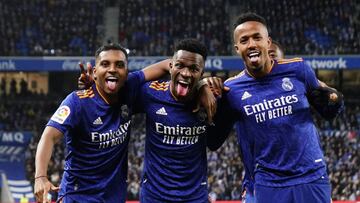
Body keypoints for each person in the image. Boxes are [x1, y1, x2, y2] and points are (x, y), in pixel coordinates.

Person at [208, 12, 343, 203]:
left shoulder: (298, 70)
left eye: (257, 37)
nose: (252, 44)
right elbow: (213, 141)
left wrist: (335, 98)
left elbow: (329, 111)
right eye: (244, 40)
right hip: (268, 183)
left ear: (268, 42)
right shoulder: (232, 89)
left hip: (311, 176)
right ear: (237, 48)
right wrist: (206, 99)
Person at [34, 43, 175, 203]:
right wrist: (40, 176)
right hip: (78, 195)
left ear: (127, 73)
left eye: (119, 65)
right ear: (94, 72)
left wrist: (201, 84)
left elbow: (169, 64)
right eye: (105, 64)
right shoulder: (77, 102)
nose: (113, 69)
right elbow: (49, 136)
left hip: (114, 197)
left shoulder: (130, 87)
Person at [136, 39, 214, 202]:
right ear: (170, 67)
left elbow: (215, 142)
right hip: (154, 196)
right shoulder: (149, 93)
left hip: (194, 197)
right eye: (179, 66)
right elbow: (124, 87)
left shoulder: (211, 100)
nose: (185, 73)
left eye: (194, 69)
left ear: (202, 73)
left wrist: (204, 85)